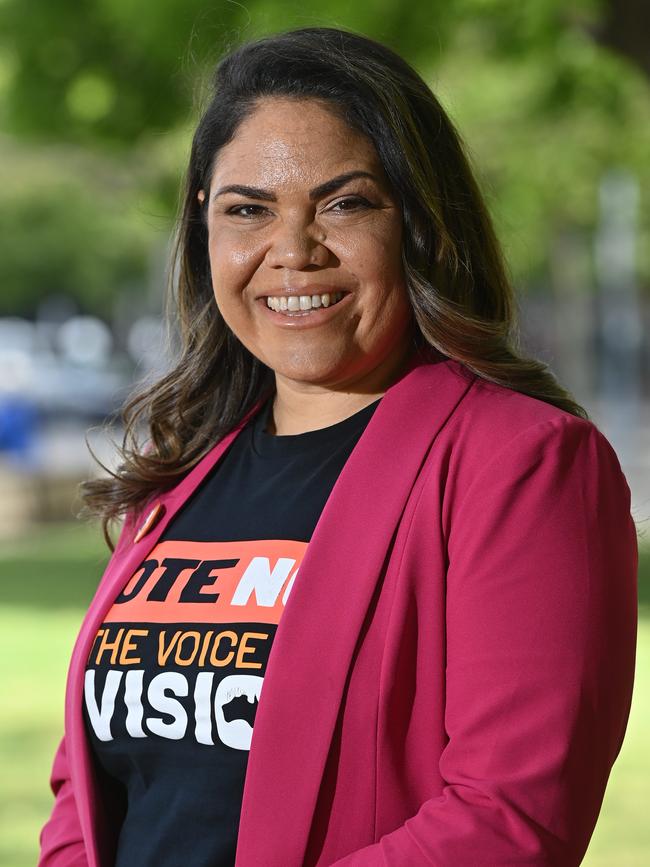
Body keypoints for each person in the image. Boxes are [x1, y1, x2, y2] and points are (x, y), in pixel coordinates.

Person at [38, 26, 638, 867]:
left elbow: (509, 824)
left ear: (422, 223)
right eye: (247, 209)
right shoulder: (180, 473)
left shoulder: (523, 463)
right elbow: (88, 790)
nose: (293, 251)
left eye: (345, 203)